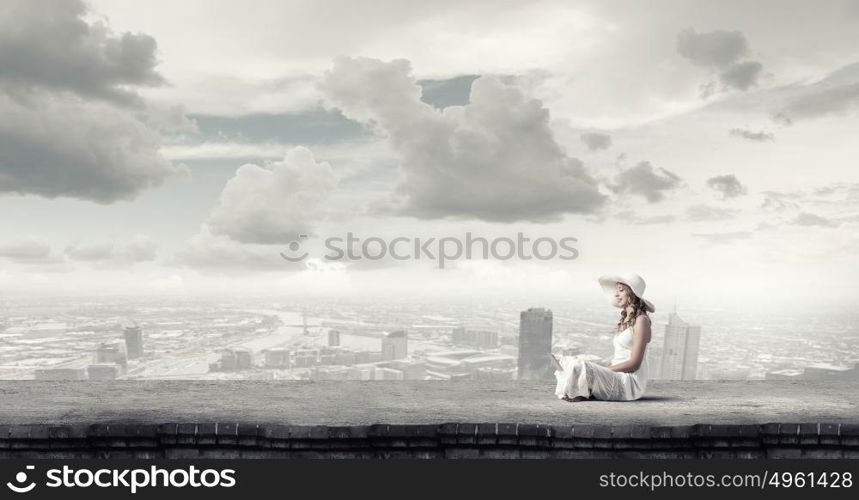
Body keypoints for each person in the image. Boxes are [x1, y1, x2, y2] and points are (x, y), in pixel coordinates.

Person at [550, 273, 654, 402]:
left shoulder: (641, 321)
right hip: (616, 375)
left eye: (621, 290)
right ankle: (581, 389)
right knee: (568, 360)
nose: (616, 295)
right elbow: (619, 358)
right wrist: (601, 369)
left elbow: (634, 364)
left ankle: (581, 390)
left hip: (628, 383)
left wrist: (602, 370)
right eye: (616, 291)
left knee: (579, 366)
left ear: (632, 294)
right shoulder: (626, 320)